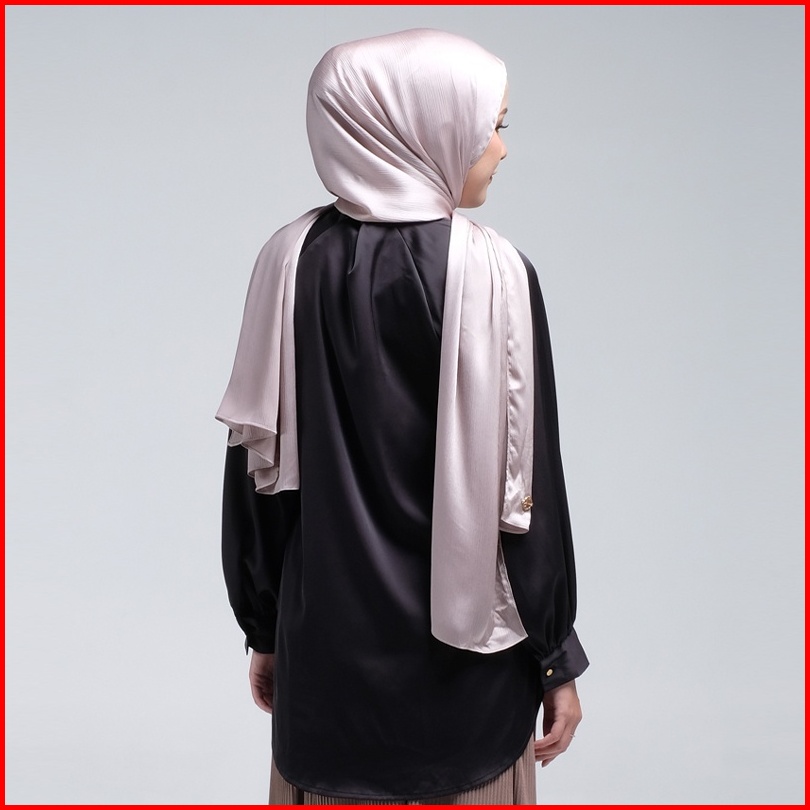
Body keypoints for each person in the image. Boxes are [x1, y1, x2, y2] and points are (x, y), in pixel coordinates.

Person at [217, 29, 589, 805]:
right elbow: (527, 491)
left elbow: (259, 481)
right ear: (425, 126)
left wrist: (264, 626)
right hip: (471, 678)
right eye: (492, 126)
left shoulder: (287, 263)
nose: (501, 148)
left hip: (326, 668)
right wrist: (555, 654)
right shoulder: (497, 273)